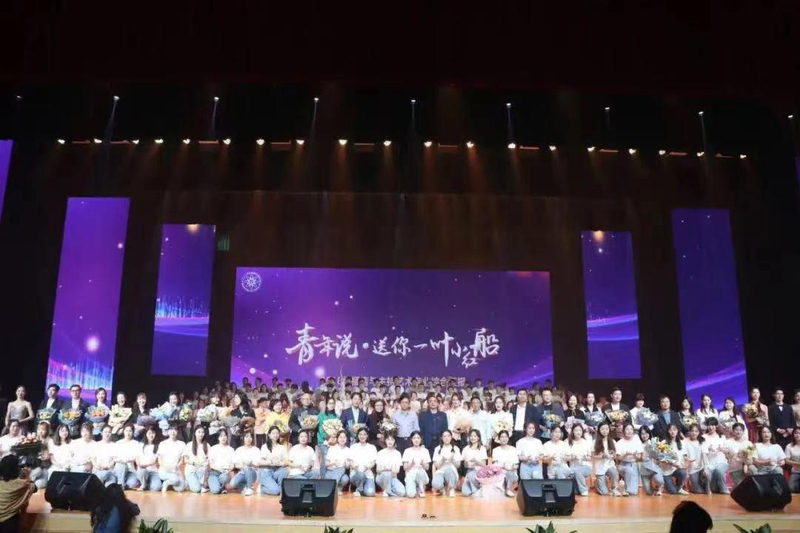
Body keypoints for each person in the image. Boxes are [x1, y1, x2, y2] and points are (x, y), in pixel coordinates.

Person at [0, 455, 36, 533]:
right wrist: (27, 475)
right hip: (9, 524)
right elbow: (34, 488)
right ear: (17, 469)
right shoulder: (23, 484)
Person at [258, 425, 289, 496]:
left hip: (277, 470)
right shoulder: (264, 447)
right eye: (273, 433)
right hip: (266, 471)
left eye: (277, 433)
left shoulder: (282, 447)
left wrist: (280, 463)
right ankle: (262, 488)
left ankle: (279, 488)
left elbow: (286, 461)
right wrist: (271, 462)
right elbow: (261, 462)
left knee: (285, 471)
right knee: (276, 491)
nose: (275, 435)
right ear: (269, 435)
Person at [701, 418, 729, 494]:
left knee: (719, 470)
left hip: (721, 461)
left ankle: (724, 489)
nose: (711, 427)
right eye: (709, 425)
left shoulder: (722, 437)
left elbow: (727, 451)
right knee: (712, 486)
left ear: (716, 426)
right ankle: (711, 487)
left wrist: (722, 449)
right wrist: (708, 450)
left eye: (713, 425)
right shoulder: (703, 437)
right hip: (709, 463)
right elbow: (703, 453)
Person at [615, 423, 644, 496]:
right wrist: (625, 454)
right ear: (624, 431)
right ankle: (625, 487)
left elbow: (640, 457)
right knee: (629, 470)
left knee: (634, 492)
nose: (629, 431)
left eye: (631, 429)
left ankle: (625, 487)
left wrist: (635, 455)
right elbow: (618, 458)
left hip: (633, 464)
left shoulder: (637, 441)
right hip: (623, 464)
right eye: (627, 429)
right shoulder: (619, 442)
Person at [156, 424, 186, 493]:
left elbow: (182, 460)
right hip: (164, 469)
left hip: (175, 469)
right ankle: (166, 483)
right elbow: (159, 460)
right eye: (171, 429)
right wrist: (165, 467)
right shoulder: (162, 443)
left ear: (177, 432)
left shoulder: (182, 444)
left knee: (180, 489)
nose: (173, 432)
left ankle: (170, 482)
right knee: (175, 479)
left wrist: (176, 467)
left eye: (175, 430)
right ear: (168, 431)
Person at [593, 422, 620, 496]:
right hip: (600, 467)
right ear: (599, 430)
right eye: (602, 429)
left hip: (610, 465)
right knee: (604, 493)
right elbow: (593, 456)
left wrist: (613, 456)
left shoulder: (613, 441)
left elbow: (616, 455)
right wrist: (602, 456)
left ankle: (614, 488)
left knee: (614, 472)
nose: (604, 431)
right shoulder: (595, 442)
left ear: (609, 430)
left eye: (606, 429)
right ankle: (597, 483)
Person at [418, 395, 448, 462]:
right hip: (427, 442)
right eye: (430, 401)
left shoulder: (443, 415)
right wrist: (422, 443)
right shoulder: (423, 415)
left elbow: (445, 429)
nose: (433, 403)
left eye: (435, 401)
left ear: (438, 403)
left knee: (439, 461)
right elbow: (421, 430)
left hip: (439, 441)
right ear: (428, 403)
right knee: (428, 461)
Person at [348, 427, 377, 497]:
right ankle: (359, 490)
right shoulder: (353, 447)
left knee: (370, 493)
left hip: (368, 475)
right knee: (360, 474)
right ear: (358, 435)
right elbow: (350, 461)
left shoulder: (372, 447)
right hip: (356, 474)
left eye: (364, 434)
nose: (362, 436)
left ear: (367, 436)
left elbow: (373, 462)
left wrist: (368, 467)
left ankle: (363, 488)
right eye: (360, 434)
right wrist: (355, 467)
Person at [660, 424, 688, 495]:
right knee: (674, 492)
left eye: (674, 430)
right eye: (670, 430)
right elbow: (662, 458)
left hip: (677, 469)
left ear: (677, 431)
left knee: (683, 472)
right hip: (666, 471)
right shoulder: (663, 443)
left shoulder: (681, 442)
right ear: (668, 431)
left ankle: (679, 488)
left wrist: (687, 462)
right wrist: (674, 464)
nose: (673, 432)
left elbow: (685, 455)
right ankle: (670, 487)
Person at [431, 430, 461, 497]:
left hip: (451, 471)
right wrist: (442, 460)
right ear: (442, 438)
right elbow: (436, 465)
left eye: (448, 436)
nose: (446, 438)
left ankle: (451, 488)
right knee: (436, 484)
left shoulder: (456, 448)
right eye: (444, 436)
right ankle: (442, 489)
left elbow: (458, 465)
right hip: (441, 471)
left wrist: (452, 459)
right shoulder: (437, 448)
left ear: (451, 437)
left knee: (448, 469)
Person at [402, 431, 431, 498]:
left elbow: (427, 468)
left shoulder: (425, 451)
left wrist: (422, 463)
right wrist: (411, 464)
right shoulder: (407, 451)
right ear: (411, 439)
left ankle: (421, 490)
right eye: (414, 438)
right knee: (411, 495)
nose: (416, 440)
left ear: (421, 439)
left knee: (419, 472)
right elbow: (404, 468)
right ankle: (415, 487)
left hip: (421, 474)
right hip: (411, 474)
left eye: (418, 438)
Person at [490, 430, 519, 497]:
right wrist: (503, 467)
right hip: (500, 471)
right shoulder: (495, 450)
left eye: (505, 437)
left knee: (509, 473)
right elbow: (495, 465)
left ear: (508, 438)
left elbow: (516, 465)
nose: (504, 439)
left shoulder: (513, 449)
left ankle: (508, 489)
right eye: (502, 437)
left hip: (511, 471)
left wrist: (511, 467)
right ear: (499, 438)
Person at [376, 433, 405, 497]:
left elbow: (396, 471)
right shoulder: (380, 453)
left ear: (394, 441)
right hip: (382, 477)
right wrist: (389, 469)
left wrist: (385, 468)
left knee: (402, 492)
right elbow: (378, 469)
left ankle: (387, 490)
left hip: (393, 477)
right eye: (388, 439)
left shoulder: (398, 453)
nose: (390, 441)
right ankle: (388, 491)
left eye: (392, 440)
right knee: (387, 473)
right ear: (385, 441)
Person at [638, 426, 664, 496]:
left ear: (649, 433)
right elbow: (639, 458)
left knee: (659, 480)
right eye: (642, 434)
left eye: (646, 433)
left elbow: (660, 454)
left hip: (654, 467)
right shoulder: (638, 444)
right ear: (640, 435)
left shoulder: (654, 442)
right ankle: (654, 489)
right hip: (644, 469)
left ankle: (659, 487)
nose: (644, 435)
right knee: (649, 492)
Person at [231, 431, 260, 495]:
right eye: (246, 437)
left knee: (247, 468)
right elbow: (236, 464)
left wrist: (250, 463)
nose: (248, 439)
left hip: (253, 473)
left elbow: (258, 464)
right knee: (232, 484)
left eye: (250, 437)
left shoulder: (256, 449)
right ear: (243, 438)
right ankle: (245, 487)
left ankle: (250, 488)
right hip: (243, 472)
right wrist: (244, 466)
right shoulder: (239, 450)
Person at [182, 426, 209, 493]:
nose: (201, 434)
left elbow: (209, 459)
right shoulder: (189, 445)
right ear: (195, 433)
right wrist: (194, 463)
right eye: (199, 432)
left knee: (202, 487)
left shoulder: (207, 445)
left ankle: (199, 483)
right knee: (197, 489)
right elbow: (185, 459)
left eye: (202, 432)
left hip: (202, 471)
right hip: (191, 471)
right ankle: (188, 482)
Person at [207, 429, 235, 494]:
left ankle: (222, 485)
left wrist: (227, 470)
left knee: (224, 477)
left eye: (225, 435)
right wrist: (220, 469)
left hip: (225, 472)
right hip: (214, 472)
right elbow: (211, 465)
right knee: (215, 491)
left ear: (227, 437)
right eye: (221, 436)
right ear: (218, 438)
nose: (223, 438)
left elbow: (232, 465)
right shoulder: (213, 448)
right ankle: (219, 486)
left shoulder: (231, 449)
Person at [460, 429, 487, 496]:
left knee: (471, 474)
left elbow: (484, 464)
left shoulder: (482, 448)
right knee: (465, 492)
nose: (473, 438)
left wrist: (476, 461)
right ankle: (476, 490)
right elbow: (465, 465)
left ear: (478, 437)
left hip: (480, 471)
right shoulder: (466, 449)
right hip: (470, 470)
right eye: (471, 436)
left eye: (475, 436)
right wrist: (467, 463)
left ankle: (476, 490)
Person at [135, 427, 161, 491]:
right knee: (143, 471)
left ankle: (148, 484)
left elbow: (154, 460)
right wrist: (139, 464)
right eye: (149, 433)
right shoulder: (140, 445)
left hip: (153, 471)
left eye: (153, 433)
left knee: (156, 488)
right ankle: (143, 484)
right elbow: (137, 457)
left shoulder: (158, 446)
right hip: (142, 470)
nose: (151, 435)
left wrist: (145, 465)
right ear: (146, 434)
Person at [683, 424, 706, 494]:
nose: (694, 433)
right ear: (689, 432)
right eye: (692, 431)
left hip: (701, 467)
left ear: (699, 432)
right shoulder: (685, 441)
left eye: (696, 431)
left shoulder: (702, 440)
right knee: (698, 490)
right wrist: (690, 462)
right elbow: (684, 455)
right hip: (691, 467)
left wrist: (705, 467)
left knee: (708, 476)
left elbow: (704, 454)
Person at [785, 427, 800, 493]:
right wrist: (797, 463)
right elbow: (786, 460)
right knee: (791, 488)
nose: (798, 435)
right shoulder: (789, 446)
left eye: (799, 433)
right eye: (796, 433)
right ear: (793, 434)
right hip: (795, 471)